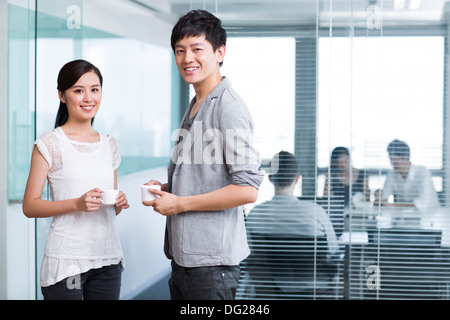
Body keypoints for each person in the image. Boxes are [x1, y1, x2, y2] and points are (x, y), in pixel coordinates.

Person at [142, 9, 264, 300]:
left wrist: (180, 203)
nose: (187, 59)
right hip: (187, 260)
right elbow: (209, 177)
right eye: (180, 50)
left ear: (220, 53)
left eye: (197, 49)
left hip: (211, 267)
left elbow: (247, 189)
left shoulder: (228, 107)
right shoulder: (197, 102)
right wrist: (168, 190)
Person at [22, 59, 129, 300]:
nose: (88, 98)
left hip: (107, 258)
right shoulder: (49, 143)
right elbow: (30, 206)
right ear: (62, 95)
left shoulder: (110, 145)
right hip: (67, 260)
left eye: (95, 89)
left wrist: (118, 203)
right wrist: (76, 204)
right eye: (78, 91)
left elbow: (109, 209)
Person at [247, 151, 338, 255]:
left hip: (267, 271)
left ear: (270, 178)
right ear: (297, 178)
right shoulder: (317, 213)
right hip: (309, 271)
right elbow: (333, 250)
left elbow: (247, 252)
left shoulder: (255, 214)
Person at [375, 139, 440, 212]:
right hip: (405, 216)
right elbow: (384, 196)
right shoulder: (392, 174)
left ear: (406, 158)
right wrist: (379, 197)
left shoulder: (422, 172)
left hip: (429, 215)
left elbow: (423, 203)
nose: (392, 164)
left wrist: (393, 205)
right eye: (391, 160)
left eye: (395, 160)